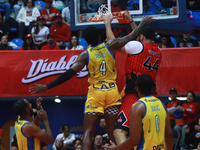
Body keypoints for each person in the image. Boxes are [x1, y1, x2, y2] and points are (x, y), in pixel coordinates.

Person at [29, 14, 154, 150]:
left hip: (96, 93)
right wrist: (141, 24)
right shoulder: (111, 45)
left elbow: (69, 74)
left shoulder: (85, 54)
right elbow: (131, 36)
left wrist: (47, 86)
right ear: (100, 37)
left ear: (86, 40)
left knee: (88, 133)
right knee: (113, 133)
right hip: (112, 91)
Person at [113, 14, 161, 145]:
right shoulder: (158, 50)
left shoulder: (136, 46)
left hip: (135, 95)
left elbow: (114, 44)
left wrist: (107, 25)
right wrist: (131, 21)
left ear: (142, 37)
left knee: (119, 132)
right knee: (142, 134)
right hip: (152, 96)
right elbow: (139, 42)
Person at [103, 74, 173, 150]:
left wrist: (116, 149)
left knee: (119, 131)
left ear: (137, 88)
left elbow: (133, 140)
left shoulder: (137, 107)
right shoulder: (162, 105)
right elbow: (169, 135)